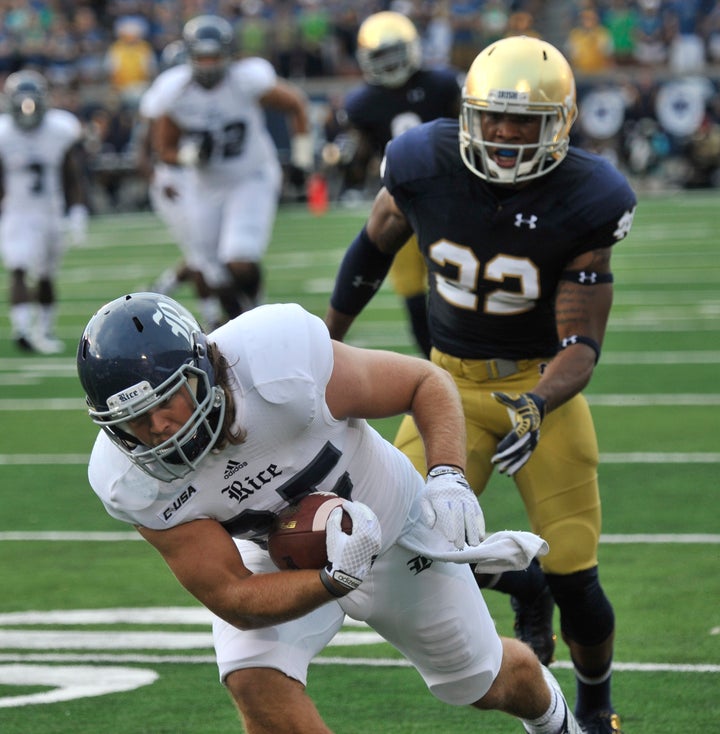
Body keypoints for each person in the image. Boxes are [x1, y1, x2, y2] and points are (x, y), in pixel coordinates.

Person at [76, 291, 583, 734]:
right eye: (133, 421)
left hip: (389, 520)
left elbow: (423, 384)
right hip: (274, 555)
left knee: (483, 681)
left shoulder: (275, 362)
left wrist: (448, 474)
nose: (158, 428)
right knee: (254, 680)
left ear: (202, 369)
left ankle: (555, 722)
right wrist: (332, 580)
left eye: (168, 402)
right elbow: (233, 596)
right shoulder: (130, 480)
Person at [324, 35, 636, 734]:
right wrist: (325, 341)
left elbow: (582, 343)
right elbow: (372, 248)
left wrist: (538, 401)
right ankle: (518, 582)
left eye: (521, 120)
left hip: (539, 390)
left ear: (558, 124)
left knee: (576, 577)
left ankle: (595, 706)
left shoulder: (589, 197)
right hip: (443, 384)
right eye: (491, 115)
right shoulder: (422, 162)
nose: (502, 132)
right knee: (397, 540)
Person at [149, 14, 313, 324]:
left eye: (214, 56)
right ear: (190, 56)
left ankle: (258, 310)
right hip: (205, 184)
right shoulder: (175, 91)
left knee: (239, 257)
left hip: (250, 176)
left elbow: (296, 105)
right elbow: (164, 149)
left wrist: (302, 160)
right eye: (202, 57)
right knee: (211, 267)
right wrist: (189, 156)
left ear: (228, 54)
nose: (209, 64)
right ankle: (240, 323)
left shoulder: (246, 80)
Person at [340, 10, 462, 357]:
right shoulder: (363, 104)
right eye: (381, 57)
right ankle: (434, 363)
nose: (390, 64)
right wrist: (348, 157)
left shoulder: (440, 84)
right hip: (402, 203)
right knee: (411, 291)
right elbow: (356, 166)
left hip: (452, 197)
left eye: (395, 53)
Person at [0, 69, 88, 355]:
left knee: (47, 274)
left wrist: (77, 209)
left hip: (51, 211)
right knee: (18, 267)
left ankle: (45, 329)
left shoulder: (59, 129)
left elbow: (70, 173)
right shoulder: (4, 133)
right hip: (17, 211)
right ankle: (22, 329)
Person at [137, 39, 223, 330]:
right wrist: (159, 179)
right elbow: (146, 148)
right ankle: (212, 317)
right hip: (175, 179)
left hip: (200, 178)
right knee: (202, 253)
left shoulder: (212, 96)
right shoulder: (163, 101)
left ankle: (163, 287)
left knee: (211, 249)